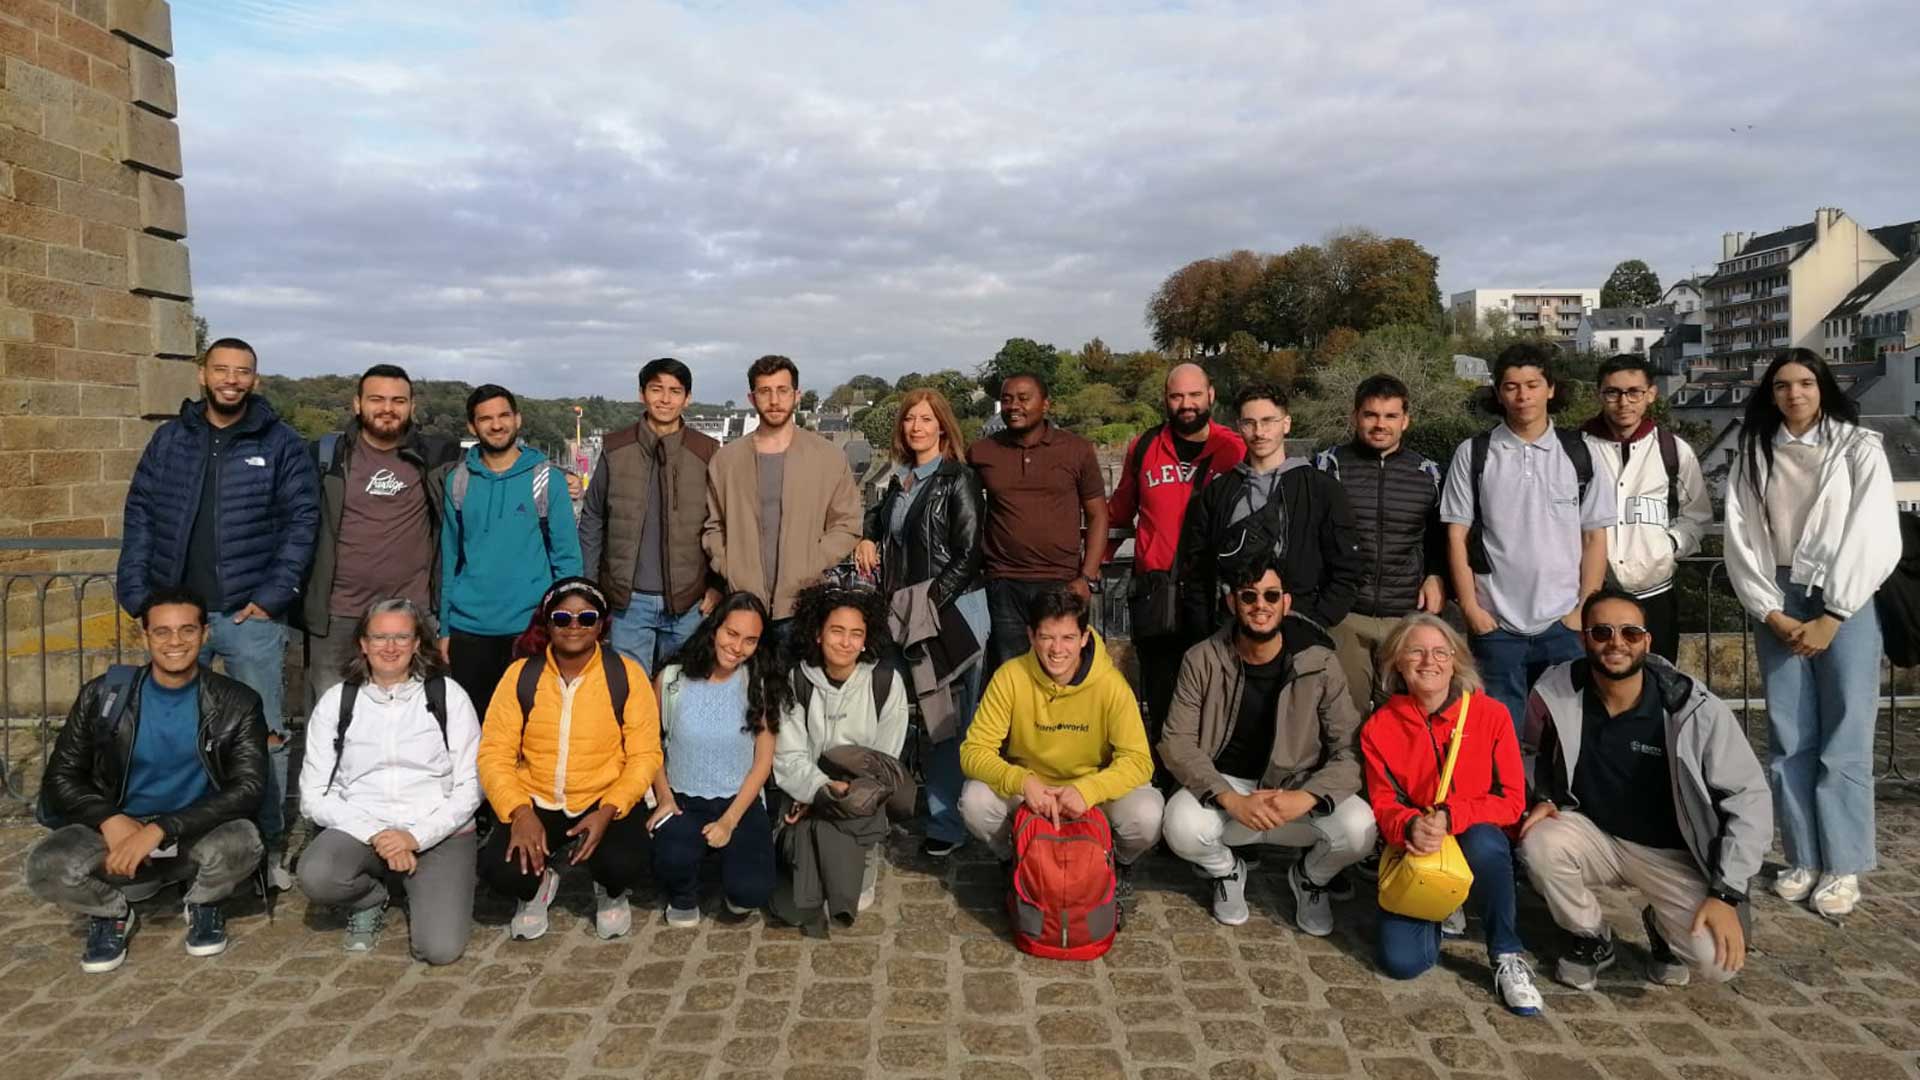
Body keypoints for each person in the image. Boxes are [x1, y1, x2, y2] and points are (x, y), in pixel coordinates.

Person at [116, 337, 317, 884]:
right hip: (179, 618)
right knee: (180, 733)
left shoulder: (281, 444)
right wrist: (137, 594)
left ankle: (267, 846)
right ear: (203, 374)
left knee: (266, 736)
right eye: (222, 369)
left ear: (255, 379)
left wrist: (273, 596)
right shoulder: (169, 440)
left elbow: (302, 522)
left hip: (249, 616)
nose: (232, 379)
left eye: (243, 371)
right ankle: (190, 842)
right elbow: (139, 516)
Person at [1519, 588, 1771, 989]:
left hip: (1674, 854)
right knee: (1539, 843)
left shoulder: (1693, 708)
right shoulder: (1556, 691)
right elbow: (1532, 749)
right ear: (1584, 638)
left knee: (1717, 964)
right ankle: (1590, 935)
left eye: (1630, 633)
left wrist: (1725, 893)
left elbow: (1749, 799)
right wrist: (1544, 796)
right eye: (1601, 632)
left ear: (1647, 641)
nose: (1616, 643)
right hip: (1596, 834)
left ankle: (1662, 925)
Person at [1724, 349, 1898, 918]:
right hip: (1778, 595)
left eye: (1804, 383)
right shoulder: (1754, 452)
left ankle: (1844, 865)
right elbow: (1742, 535)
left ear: (1822, 388)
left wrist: (1835, 613)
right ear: (1770, 394)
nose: (1793, 394)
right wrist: (1768, 609)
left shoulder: (1858, 447)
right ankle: (1803, 855)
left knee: (1845, 736)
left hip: (1841, 595)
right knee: (1789, 737)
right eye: (1781, 385)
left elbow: (1873, 532)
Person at [28, 586, 268, 973]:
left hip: (193, 829)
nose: (176, 641)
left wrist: (161, 829)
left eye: (187, 630)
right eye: (162, 632)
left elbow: (248, 788)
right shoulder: (104, 694)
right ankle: (111, 911)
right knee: (45, 865)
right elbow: (60, 777)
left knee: (242, 843)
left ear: (205, 634)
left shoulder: (236, 702)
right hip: (118, 833)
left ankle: (203, 903)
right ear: (145, 636)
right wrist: (110, 818)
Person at [1159, 555, 1375, 936]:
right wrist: (1229, 797)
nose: (1261, 606)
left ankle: (1311, 877)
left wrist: (1308, 796)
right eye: (1249, 596)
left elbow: (1350, 750)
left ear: (1286, 603)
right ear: (1232, 603)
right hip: (1227, 787)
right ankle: (1226, 871)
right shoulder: (1202, 659)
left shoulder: (1320, 664)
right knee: (1179, 826)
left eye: (1271, 596)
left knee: (1360, 829)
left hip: (1295, 788)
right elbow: (1177, 741)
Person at [1360, 612, 1543, 1016]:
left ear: (1457, 661)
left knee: (1485, 843)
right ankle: (1446, 909)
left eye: (1441, 652)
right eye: (1417, 652)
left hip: (1474, 833)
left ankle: (1506, 953)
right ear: (1397, 662)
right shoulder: (1379, 726)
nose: (1430, 662)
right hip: (1420, 845)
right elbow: (1383, 801)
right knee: (1403, 963)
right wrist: (1409, 825)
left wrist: (1449, 815)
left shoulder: (1490, 715)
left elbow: (1512, 800)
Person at [296, 598, 482, 963]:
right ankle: (371, 896)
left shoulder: (448, 695)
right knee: (318, 876)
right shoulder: (337, 701)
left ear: (417, 644)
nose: (390, 647)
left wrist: (415, 837)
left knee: (440, 950)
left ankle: (420, 885)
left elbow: (472, 786)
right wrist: (379, 836)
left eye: (401, 637)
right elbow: (313, 796)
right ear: (363, 644)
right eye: (380, 637)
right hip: (362, 825)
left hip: (438, 829)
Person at [1441, 342, 1615, 731]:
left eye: (1533, 384)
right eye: (1512, 386)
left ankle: (1556, 796)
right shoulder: (1474, 454)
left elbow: (1594, 538)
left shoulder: (1581, 452)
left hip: (1563, 624)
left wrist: (1581, 610)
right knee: (1500, 738)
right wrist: (1471, 609)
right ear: (1498, 393)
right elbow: (1456, 537)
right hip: (1496, 624)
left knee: (1567, 733)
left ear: (1550, 389)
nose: (1523, 396)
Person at [475, 578, 661, 941]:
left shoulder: (625, 674)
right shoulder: (521, 675)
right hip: (538, 797)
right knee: (501, 870)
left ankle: (610, 891)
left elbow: (645, 753)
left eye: (586, 617)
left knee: (623, 862)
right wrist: (519, 812)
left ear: (601, 625)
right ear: (547, 624)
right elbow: (494, 753)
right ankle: (540, 885)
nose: (574, 626)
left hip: (603, 795)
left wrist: (609, 809)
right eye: (562, 618)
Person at [958, 588, 1163, 901]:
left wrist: (1088, 790)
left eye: (1068, 638)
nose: (1057, 649)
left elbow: (1138, 761)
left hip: (1089, 791)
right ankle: (1011, 858)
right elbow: (973, 751)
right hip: (1030, 789)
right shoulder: (1010, 677)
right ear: (1030, 636)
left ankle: (1116, 863)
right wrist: (1022, 781)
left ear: (1083, 638)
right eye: (1046, 637)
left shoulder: (1111, 685)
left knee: (1148, 813)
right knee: (975, 800)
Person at [851, 388, 988, 857]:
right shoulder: (899, 480)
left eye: (926, 420)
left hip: (948, 611)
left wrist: (930, 602)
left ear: (943, 427)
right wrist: (867, 538)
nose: (916, 428)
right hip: (906, 610)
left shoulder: (958, 478)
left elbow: (969, 554)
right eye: (910, 419)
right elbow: (882, 522)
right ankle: (895, 805)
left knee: (945, 718)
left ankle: (947, 822)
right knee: (893, 710)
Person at [303, 364, 460, 709]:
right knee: (334, 719)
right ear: (357, 404)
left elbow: (496, 464)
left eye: (398, 400)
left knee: (420, 718)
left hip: (414, 611)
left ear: (412, 407)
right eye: (377, 399)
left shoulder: (436, 457)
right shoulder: (326, 456)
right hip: (338, 614)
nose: (387, 408)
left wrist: (550, 474)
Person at [1105, 363, 1245, 745]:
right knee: (1162, 695)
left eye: (1195, 395)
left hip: (1214, 591)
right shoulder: (1145, 446)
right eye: (1177, 396)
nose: (1186, 404)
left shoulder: (1234, 449)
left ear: (1211, 395)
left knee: (1217, 695)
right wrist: (1090, 567)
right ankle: (1166, 787)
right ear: (1166, 399)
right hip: (1158, 591)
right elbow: (1119, 511)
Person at [1175, 381, 1362, 644]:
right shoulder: (1218, 493)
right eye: (1249, 423)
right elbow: (1196, 569)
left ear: (1286, 424)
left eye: (1268, 421)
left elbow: (1347, 567)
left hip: (1300, 629)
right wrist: (1207, 631)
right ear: (1239, 427)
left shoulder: (1322, 490)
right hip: (1230, 634)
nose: (1259, 432)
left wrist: (1316, 621)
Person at [438, 384, 583, 715]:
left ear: (517, 419)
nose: (497, 425)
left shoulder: (547, 480)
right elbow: (449, 560)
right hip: (469, 631)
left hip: (531, 629)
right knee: (475, 734)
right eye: (486, 418)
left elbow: (568, 562)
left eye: (504, 415)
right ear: (472, 427)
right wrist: (444, 628)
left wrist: (567, 626)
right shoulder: (459, 482)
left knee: (533, 731)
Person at [772, 583, 909, 927]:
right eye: (836, 631)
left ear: (866, 639)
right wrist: (818, 789)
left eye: (856, 634)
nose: (846, 642)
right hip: (812, 788)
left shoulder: (885, 682)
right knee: (796, 905)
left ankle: (863, 853)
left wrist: (847, 792)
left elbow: (885, 760)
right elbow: (789, 754)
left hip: (861, 794)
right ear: (818, 634)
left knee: (849, 895)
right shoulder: (797, 681)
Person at [649, 591, 790, 925]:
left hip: (738, 799)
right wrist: (664, 797)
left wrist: (729, 820)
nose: (737, 647)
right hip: (682, 796)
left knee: (750, 895)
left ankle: (731, 866)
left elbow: (762, 762)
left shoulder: (759, 683)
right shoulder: (671, 680)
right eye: (731, 633)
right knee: (671, 859)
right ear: (714, 629)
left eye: (750, 640)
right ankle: (684, 890)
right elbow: (651, 744)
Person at [702, 355, 861, 648]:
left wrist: (812, 563)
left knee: (798, 692)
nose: (774, 400)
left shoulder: (827, 457)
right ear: (752, 398)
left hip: (803, 604)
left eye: (782, 390)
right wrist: (730, 566)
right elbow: (713, 526)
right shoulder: (726, 460)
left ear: (797, 395)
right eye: (765, 391)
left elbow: (847, 523)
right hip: (743, 606)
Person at [579, 357, 723, 675]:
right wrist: (589, 586)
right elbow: (592, 518)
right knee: (630, 695)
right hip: (627, 602)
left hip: (690, 600)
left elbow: (723, 523)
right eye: (657, 389)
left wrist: (718, 585)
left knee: (682, 694)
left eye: (675, 391)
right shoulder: (615, 448)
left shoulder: (707, 451)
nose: (665, 399)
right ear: (642, 394)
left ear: (687, 398)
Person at [1313, 374, 1447, 713]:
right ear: (1355, 416)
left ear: (1405, 420)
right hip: (1346, 615)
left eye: (1390, 416)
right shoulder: (1328, 466)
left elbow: (1440, 536)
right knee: (1344, 718)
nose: (1380, 424)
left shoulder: (1429, 473)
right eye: (1371, 415)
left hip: (1403, 617)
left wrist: (1435, 573)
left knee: (1402, 718)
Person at [967, 373, 1109, 678]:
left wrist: (1087, 577)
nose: (1013, 406)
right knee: (1012, 676)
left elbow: (1098, 514)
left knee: (1061, 671)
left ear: (1046, 404)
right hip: (1003, 583)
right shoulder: (982, 452)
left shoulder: (1076, 450)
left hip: (1061, 581)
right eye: (1006, 399)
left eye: (1023, 398)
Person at [1580, 356, 1711, 661]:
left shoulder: (1673, 450)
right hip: (1593, 592)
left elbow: (1697, 515)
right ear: (1599, 394)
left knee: (1658, 679)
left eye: (1634, 392)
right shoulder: (1577, 447)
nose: (1623, 402)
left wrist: (1669, 546)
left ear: (1651, 393)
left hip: (1654, 592)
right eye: (1613, 392)